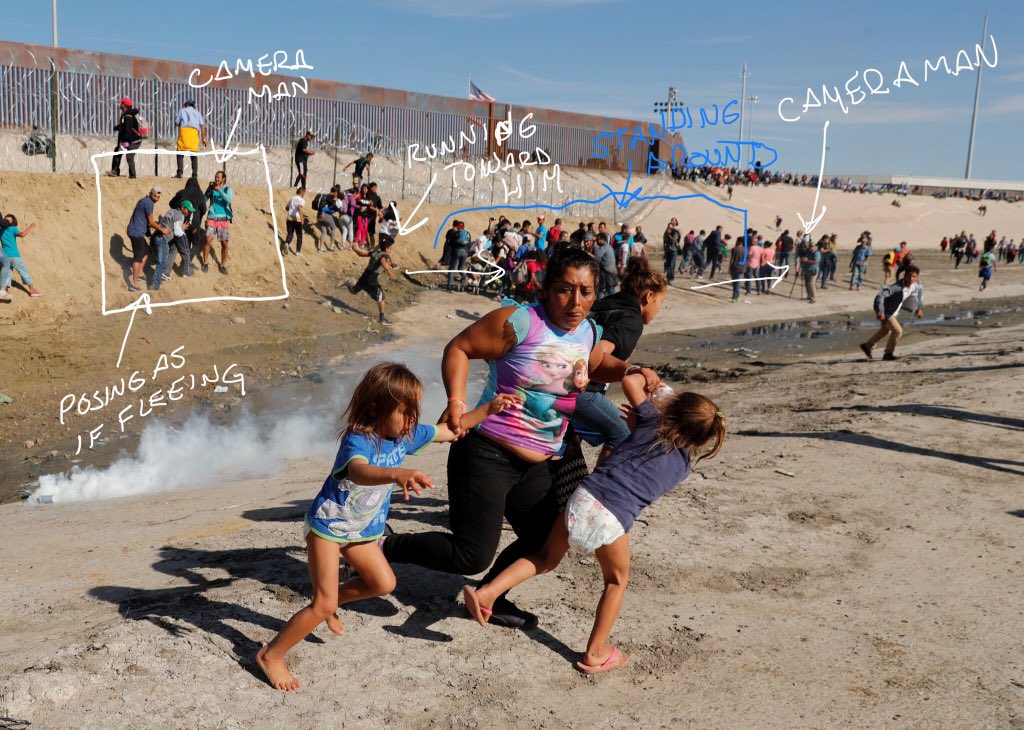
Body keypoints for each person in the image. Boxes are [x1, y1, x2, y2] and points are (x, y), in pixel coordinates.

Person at [381, 248, 661, 629]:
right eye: (565, 289)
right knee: (469, 555)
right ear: (546, 289)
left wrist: (631, 368)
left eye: (586, 291)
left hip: (540, 461)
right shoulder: (520, 322)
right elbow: (460, 348)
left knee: (545, 541)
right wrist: (457, 402)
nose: (575, 301)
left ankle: (491, 596)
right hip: (486, 451)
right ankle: (383, 545)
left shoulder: (588, 330)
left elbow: (594, 364)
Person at [255, 361, 522, 691]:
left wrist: (490, 409)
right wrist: (397, 474)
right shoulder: (359, 440)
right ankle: (272, 655)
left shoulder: (405, 436)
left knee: (382, 583)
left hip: (362, 531)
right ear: (374, 407)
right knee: (322, 603)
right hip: (329, 528)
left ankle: (331, 603)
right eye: (404, 413)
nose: (412, 422)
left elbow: (450, 430)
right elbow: (358, 472)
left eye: (415, 413)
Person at [463, 378, 725, 674]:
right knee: (615, 582)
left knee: (545, 558)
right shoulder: (683, 466)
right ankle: (595, 652)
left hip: (583, 497)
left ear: (672, 408)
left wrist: (655, 385)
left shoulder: (650, 420)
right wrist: (647, 418)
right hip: (612, 518)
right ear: (703, 440)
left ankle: (487, 593)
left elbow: (630, 381)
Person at [572, 257, 667, 463]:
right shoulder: (632, 320)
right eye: (660, 302)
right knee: (623, 432)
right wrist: (633, 370)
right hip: (581, 390)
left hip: (560, 378)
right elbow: (598, 353)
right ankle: (599, 489)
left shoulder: (607, 303)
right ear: (649, 296)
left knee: (572, 439)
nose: (659, 309)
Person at [859, 265, 924, 362]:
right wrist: (880, 310)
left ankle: (867, 346)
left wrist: (919, 308)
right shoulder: (897, 287)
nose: (911, 278)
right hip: (886, 312)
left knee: (885, 331)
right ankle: (888, 354)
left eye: (914, 276)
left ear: (917, 277)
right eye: (909, 276)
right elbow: (880, 296)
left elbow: (918, 298)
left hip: (894, 312)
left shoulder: (916, 286)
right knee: (898, 331)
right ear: (905, 275)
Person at [345, 236, 397, 326]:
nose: (391, 250)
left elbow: (362, 254)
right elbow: (383, 261)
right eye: (390, 248)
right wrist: (389, 272)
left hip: (364, 276)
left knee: (353, 291)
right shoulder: (385, 255)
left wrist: (355, 249)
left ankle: (348, 284)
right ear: (387, 248)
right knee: (381, 297)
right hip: (372, 279)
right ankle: (382, 319)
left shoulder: (375, 252)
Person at [125, 187, 167, 291]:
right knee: (138, 258)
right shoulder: (149, 203)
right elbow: (151, 222)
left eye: (158, 197)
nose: (156, 198)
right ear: (150, 194)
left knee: (147, 251)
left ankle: (139, 272)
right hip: (136, 233)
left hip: (136, 231)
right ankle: (134, 285)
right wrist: (162, 230)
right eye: (154, 196)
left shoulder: (144, 200)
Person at [150, 200, 193, 291]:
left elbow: (171, 224)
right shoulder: (180, 215)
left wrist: (181, 227)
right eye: (187, 210)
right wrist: (184, 238)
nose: (188, 213)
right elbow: (178, 233)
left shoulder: (171, 211)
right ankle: (155, 284)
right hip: (163, 239)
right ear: (182, 208)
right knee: (161, 263)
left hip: (156, 236)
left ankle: (163, 274)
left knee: (174, 248)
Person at [0, 214, 41, 300]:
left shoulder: (1, 230)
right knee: (24, 272)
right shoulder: (13, 228)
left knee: (7, 273)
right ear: (13, 222)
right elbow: (22, 235)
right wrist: (31, 226)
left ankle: (5, 291)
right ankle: (32, 290)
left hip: (5, 256)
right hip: (15, 256)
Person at [202, 171, 233, 275]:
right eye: (215, 177)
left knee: (224, 243)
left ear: (223, 178)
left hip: (223, 220)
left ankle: (223, 264)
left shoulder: (227, 189)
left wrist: (219, 190)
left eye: (218, 177)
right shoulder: (212, 189)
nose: (216, 179)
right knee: (208, 240)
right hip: (212, 218)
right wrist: (208, 189)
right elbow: (203, 199)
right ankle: (205, 262)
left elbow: (228, 200)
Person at [108, 98, 141, 179]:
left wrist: (125, 142)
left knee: (129, 156)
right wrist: (117, 127)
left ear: (124, 105)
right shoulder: (125, 114)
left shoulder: (128, 116)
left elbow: (128, 130)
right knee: (117, 151)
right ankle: (115, 171)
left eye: (121, 103)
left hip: (134, 140)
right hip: (129, 139)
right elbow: (125, 126)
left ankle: (132, 176)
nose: (120, 104)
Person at [174, 99, 206, 179]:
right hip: (194, 133)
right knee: (194, 154)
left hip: (184, 132)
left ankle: (180, 173)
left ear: (187, 104)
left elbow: (177, 123)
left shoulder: (182, 111)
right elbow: (202, 126)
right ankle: (194, 174)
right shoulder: (198, 113)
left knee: (180, 152)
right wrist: (203, 138)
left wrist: (180, 123)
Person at [282, 186, 307, 256]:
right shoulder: (301, 200)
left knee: (290, 233)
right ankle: (298, 252)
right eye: (304, 192)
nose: (304, 194)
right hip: (297, 219)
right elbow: (299, 208)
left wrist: (290, 210)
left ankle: (287, 243)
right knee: (299, 236)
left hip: (289, 218)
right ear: (302, 192)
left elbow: (286, 207)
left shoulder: (292, 198)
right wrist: (302, 219)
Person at [594, 232, 617, 299]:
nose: (596, 241)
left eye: (597, 240)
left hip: (608, 273)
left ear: (602, 239)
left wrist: (589, 253)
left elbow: (597, 258)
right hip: (611, 272)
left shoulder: (604, 247)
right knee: (604, 290)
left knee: (609, 290)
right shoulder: (609, 247)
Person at [662, 218, 681, 284]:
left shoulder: (677, 230)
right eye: (671, 220)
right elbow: (664, 239)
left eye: (673, 220)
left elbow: (675, 240)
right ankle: (668, 278)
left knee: (672, 265)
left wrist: (671, 232)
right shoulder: (667, 230)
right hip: (668, 249)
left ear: (676, 222)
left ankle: (671, 278)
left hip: (674, 249)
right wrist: (664, 248)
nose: (672, 221)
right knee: (668, 264)